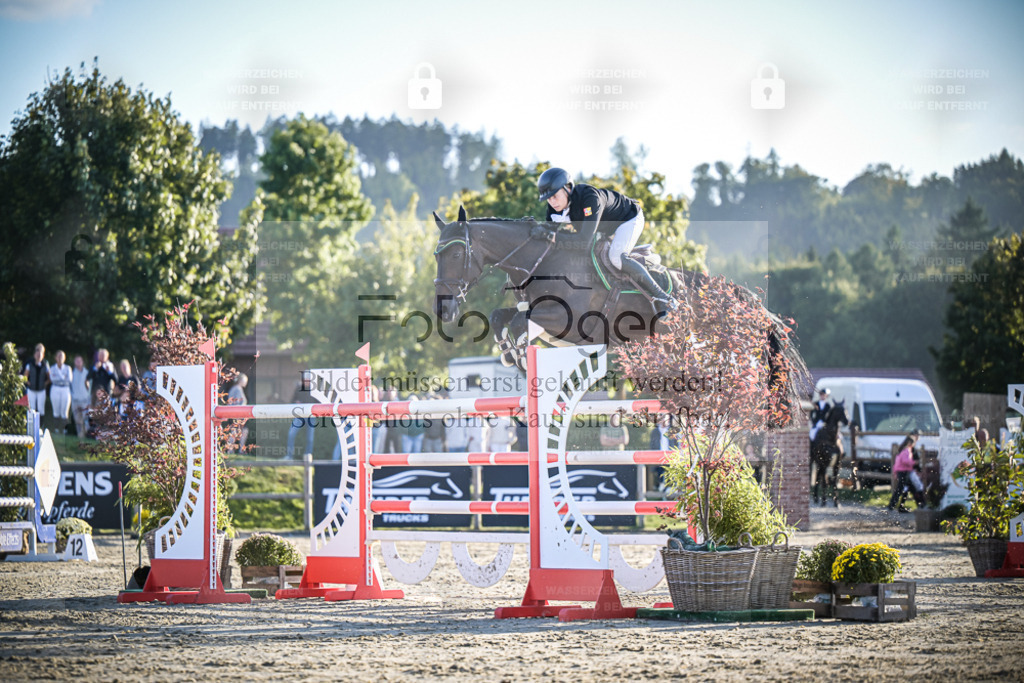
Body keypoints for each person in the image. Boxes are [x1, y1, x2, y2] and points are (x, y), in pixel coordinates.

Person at [536, 167, 676, 315]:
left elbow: (583, 241)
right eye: (548, 198)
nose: (552, 202)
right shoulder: (554, 208)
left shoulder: (589, 199)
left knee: (616, 258)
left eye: (555, 196)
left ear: (568, 188)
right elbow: (550, 234)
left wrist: (550, 236)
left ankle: (664, 298)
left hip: (628, 219)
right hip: (604, 228)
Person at [887, 434, 924, 512]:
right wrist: (914, 462)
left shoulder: (903, 451)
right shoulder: (906, 451)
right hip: (903, 472)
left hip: (904, 472)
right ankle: (893, 505)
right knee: (901, 489)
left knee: (907, 488)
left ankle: (900, 506)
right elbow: (904, 461)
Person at [286, 381, 317, 459]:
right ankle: (289, 456)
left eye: (308, 380)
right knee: (291, 434)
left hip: (311, 416)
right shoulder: (299, 388)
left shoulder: (314, 389)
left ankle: (308, 457)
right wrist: (296, 402)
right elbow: (292, 400)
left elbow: (319, 403)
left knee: (310, 438)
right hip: (300, 415)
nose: (306, 382)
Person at [23, 343, 49, 419]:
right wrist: (28, 383)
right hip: (31, 389)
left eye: (40, 354)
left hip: (41, 390)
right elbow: (25, 376)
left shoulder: (45, 365)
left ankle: (40, 426)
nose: (38, 355)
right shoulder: (30, 363)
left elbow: (49, 377)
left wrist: (45, 384)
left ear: (43, 355)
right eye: (37, 353)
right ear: (34, 354)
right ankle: (31, 426)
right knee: (31, 408)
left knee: (41, 409)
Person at [48, 350, 73, 428]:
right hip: (55, 388)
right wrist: (63, 377)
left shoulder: (68, 368)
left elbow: (69, 380)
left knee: (64, 410)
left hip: (65, 389)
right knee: (56, 410)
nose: (60, 358)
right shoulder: (52, 368)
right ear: (55, 358)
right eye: (58, 356)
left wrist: (59, 378)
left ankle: (64, 429)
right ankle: (56, 429)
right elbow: (52, 379)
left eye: (62, 356)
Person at [70, 354, 91, 440]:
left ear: (82, 362)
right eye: (77, 361)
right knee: (78, 421)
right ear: (74, 362)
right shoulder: (71, 373)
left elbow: (90, 387)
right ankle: (81, 438)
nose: (78, 362)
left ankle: (87, 435)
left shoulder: (87, 373)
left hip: (85, 400)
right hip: (75, 400)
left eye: (80, 361)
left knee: (86, 420)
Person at [227, 373, 249, 453]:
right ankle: (236, 449)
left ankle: (232, 449)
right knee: (238, 431)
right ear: (241, 380)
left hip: (234, 414)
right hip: (237, 415)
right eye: (245, 380)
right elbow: (239, 403)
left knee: (237, 431)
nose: (246, 382)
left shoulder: (234, 388)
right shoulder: (238, 389)